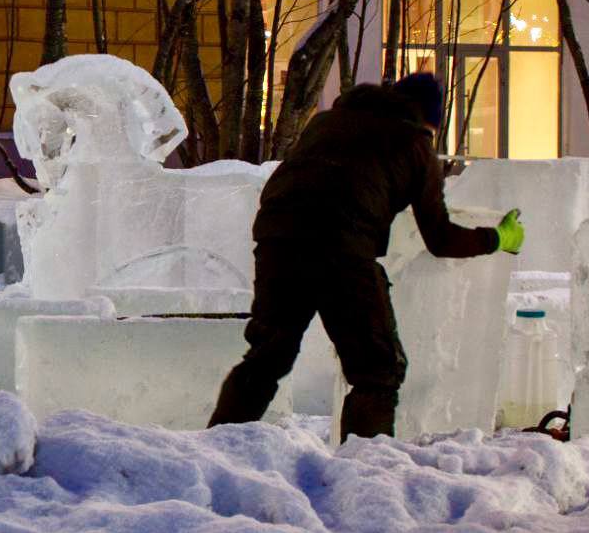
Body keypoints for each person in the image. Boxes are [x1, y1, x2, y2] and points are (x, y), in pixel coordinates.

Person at [208, 72, 524, 441]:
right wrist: (496, 238)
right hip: (341, 248)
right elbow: (440, 239)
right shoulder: (413, 143)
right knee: (378, 370)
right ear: (428, 119)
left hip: (277, 239)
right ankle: (365, 467)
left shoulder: (326, 122)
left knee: (267, 356)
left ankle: (217, 447)